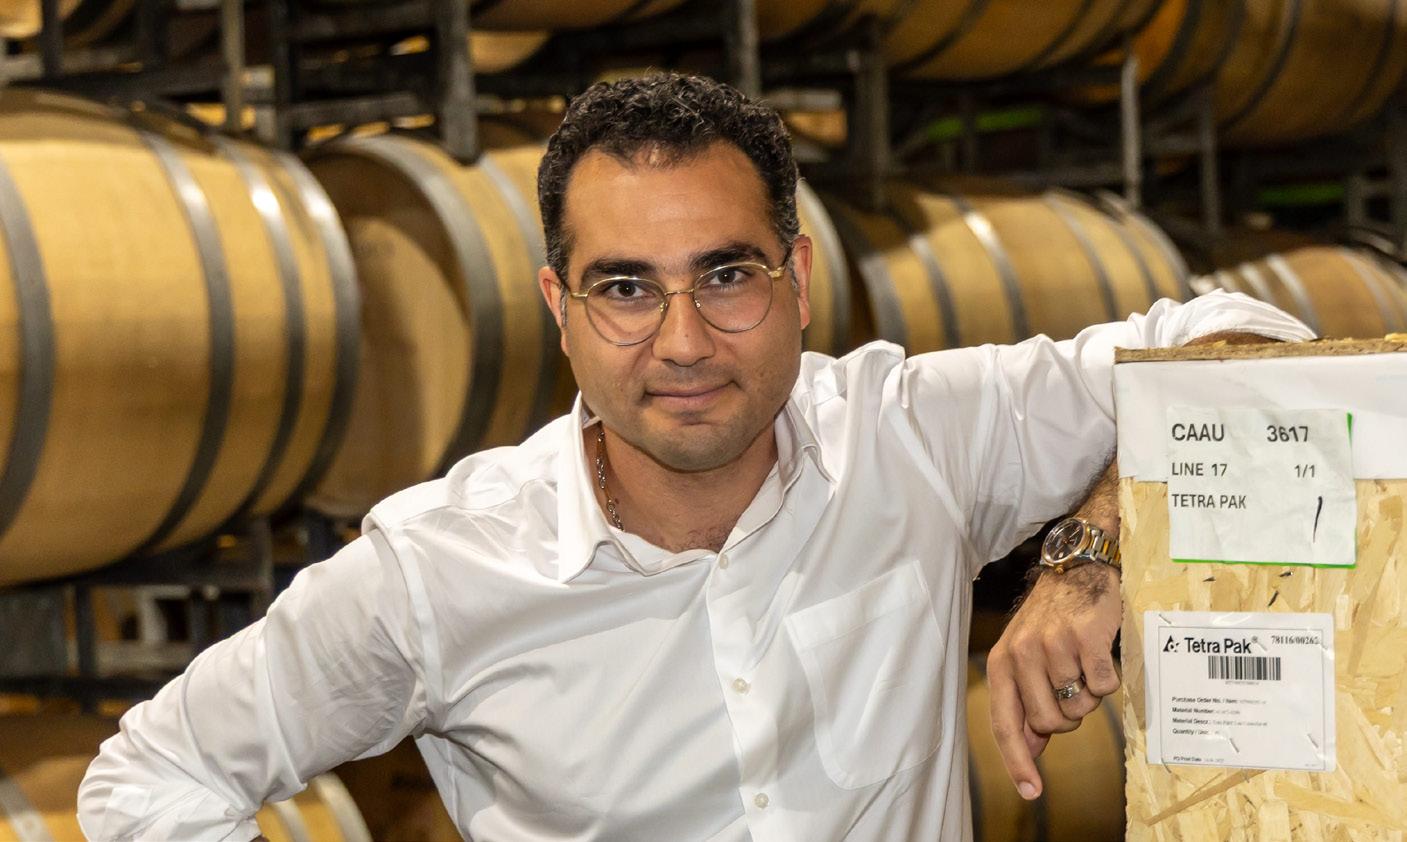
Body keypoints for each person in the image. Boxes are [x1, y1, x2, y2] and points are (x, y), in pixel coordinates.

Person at [78, 73, 1313, 841]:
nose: (681, 342)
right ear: (560, 308)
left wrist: (1090, 555)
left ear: (799, 279)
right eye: (625, 288)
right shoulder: (441, 565)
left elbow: (1260, 341)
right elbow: (152, 775)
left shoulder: (912, 436)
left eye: (727, 275)